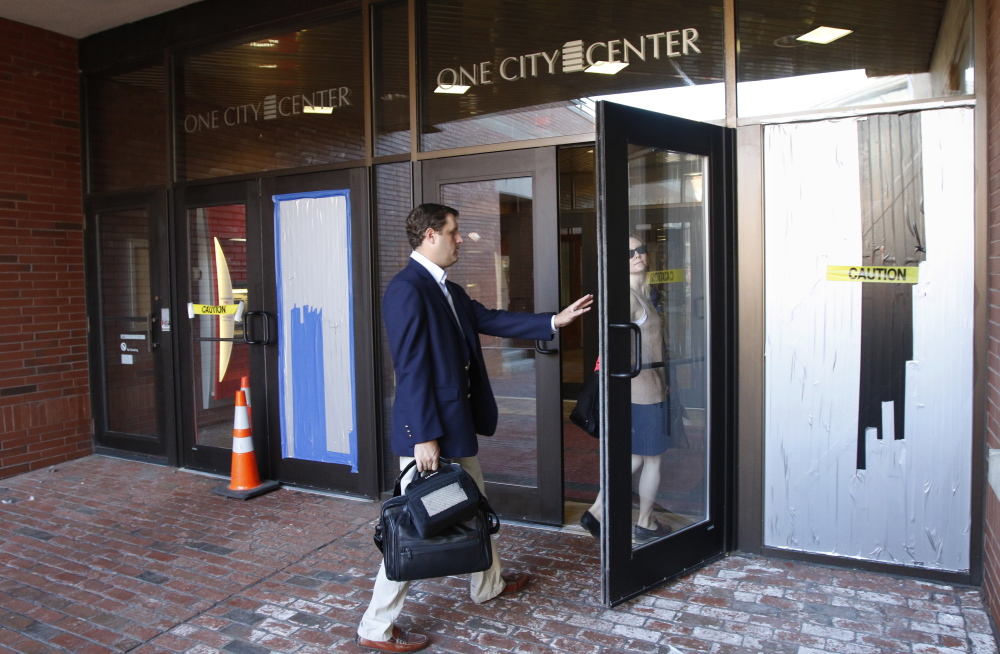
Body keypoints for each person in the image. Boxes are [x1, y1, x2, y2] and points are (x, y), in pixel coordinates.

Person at [356, 203, 593, 653]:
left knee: (473, 504)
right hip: (429, 433)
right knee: (414, 524)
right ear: (429, 236)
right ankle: (375, 626)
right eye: (454, 232)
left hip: (453, 425)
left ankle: (487, 584)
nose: (460, 239)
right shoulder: (408, 289)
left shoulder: (444, 288)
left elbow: (488, 318)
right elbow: (409, 368)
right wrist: (423, 435)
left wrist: (552, 321)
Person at [579, 235, 680, 545]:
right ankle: (645, 522)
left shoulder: (644, 293)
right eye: (629, 252)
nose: (637, 256)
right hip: (642, 391)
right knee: (652, 460)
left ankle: (597, 511)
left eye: (640, 250)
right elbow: (615, 344)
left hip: (652, 388)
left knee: (636, 456)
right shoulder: (628, 297)